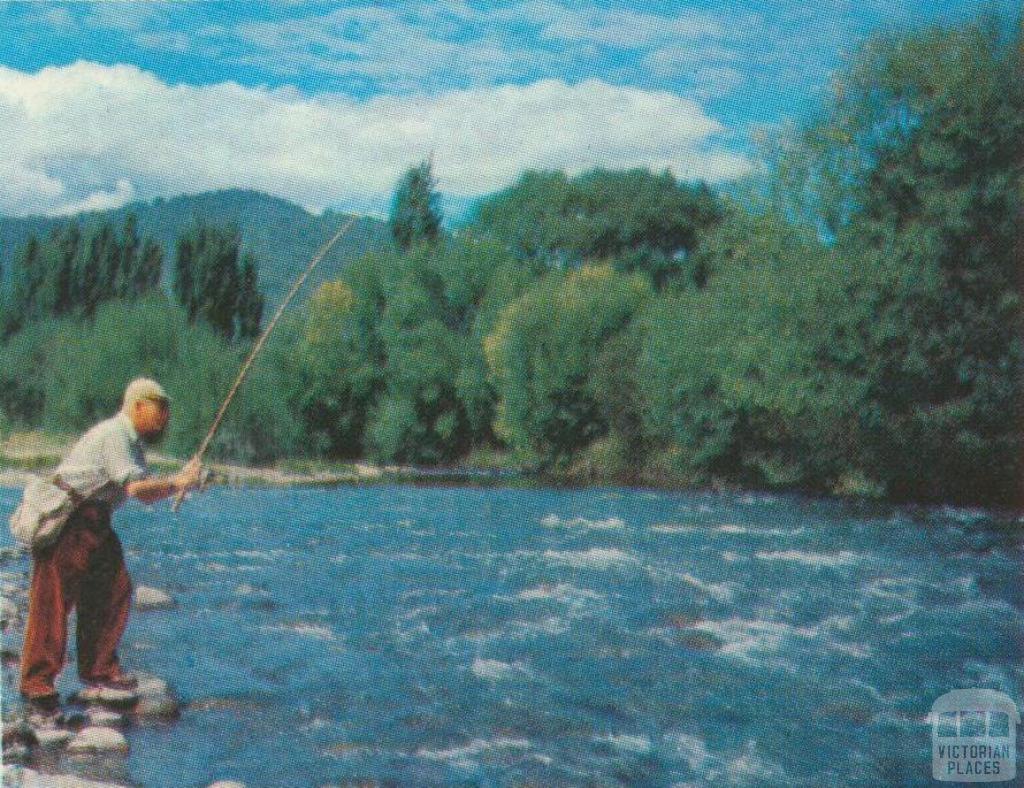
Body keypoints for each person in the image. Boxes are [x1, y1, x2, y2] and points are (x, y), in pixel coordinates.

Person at [19, 377, 203, 713]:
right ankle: (36, 685)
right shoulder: (115, 435)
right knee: (53, 602)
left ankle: (99, 671)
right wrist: (179, 482)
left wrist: (182, 482)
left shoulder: (133, 444)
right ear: (137, 406)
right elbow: (136, 490)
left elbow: (147, 490)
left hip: (94, 520)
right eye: (160, 409)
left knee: (115, 589)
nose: (165, 418)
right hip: (68, 518)